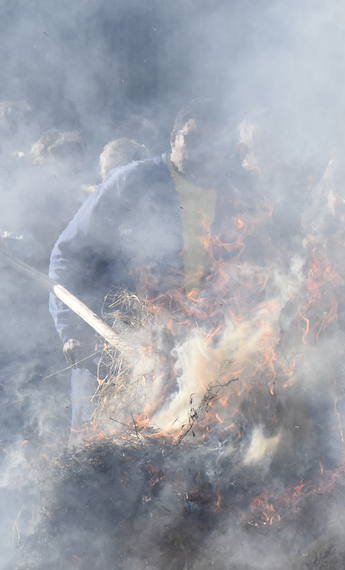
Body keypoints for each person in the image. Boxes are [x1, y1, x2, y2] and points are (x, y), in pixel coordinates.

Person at [49, 101, 247, 426]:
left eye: (213, 144)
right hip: (120, 350)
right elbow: (69, 254)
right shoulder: (132, 183)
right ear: (173, 138)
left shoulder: (236, 195)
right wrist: (71, 330)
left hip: (198, 357)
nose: (202, 152)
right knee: (102, 454)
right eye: (192, 139)